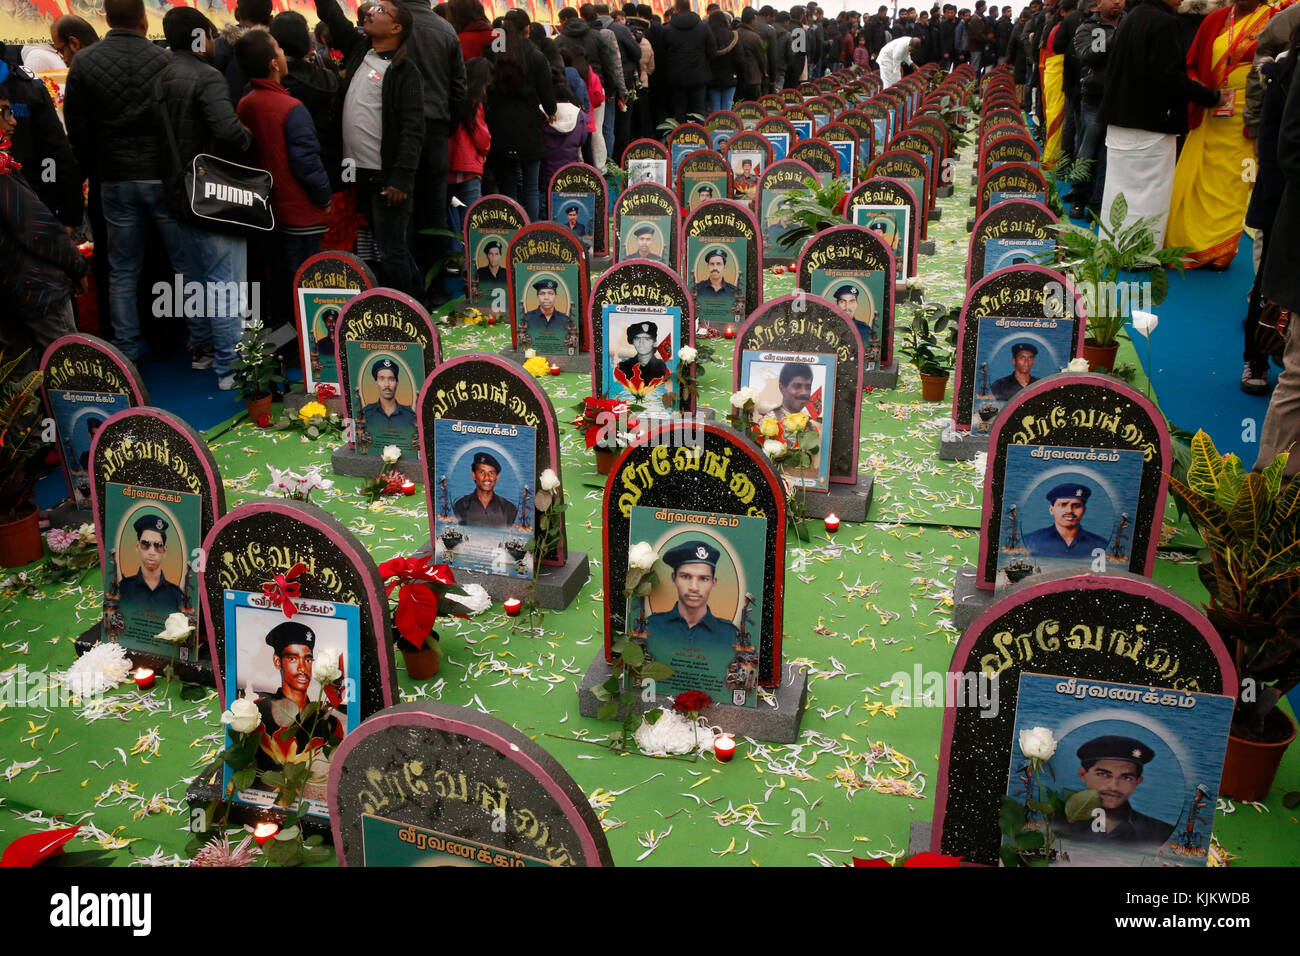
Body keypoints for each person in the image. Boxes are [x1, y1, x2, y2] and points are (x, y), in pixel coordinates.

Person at [64, 0, 190, 365]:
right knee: (180, 263)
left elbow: (78, 130)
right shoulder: (166, 60)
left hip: (115, 178)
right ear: (143, 18)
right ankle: (194, 340)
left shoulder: (85, 62)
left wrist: (92, 170)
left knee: (122, 269)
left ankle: (127, 349)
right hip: (161, 177)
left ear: (105, 17)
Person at [157, 7, 254, 390]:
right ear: (201, 36)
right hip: (213, 193)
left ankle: (205, 351)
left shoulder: (158, 76)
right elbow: (230, 134)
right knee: (226, 283)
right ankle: (231, 368)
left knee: (195, 278)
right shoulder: (208, 77)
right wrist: (248, 136)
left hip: (176, 193)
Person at [316, 0, 426, 299]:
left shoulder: (404, 70)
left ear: (396, 27)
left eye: (381, 11)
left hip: (384, 177)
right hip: (354, 174)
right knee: (366, 247)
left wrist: (401, 178)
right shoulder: (359, 49)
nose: (371, 13)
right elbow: (332, 15)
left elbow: (413, 128)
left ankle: (408, 311)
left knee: (392, 251)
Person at [1097, 0, 1223, 247]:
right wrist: (1210, 97)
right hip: (1152, 120)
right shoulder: (1164, 22)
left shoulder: (1131, 17)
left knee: (1118, 189)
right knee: (1149, 192)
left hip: (1120, 118)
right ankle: (1140, 253)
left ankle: (1113, 246)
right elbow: (1170, 76)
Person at [1164, 0, 1274, 268]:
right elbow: (1191, 63)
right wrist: (1202, 90)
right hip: (1210, 110)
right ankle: (1190, 244)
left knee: (1232, 184)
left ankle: (1220, 251)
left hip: (1247, 116)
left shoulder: (1274, 19)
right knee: (1197, 179)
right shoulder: (1214, 20)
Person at [0, 86, 83, 372]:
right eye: (4, 112)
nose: (13, 121)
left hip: (13, 293)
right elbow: (40, 231)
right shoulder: (2, 175)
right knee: (70, 373)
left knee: (20, 376)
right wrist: (77, 267)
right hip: (35, 289)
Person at [251, 620, 346, 784]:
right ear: (277, 661)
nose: (302, 668)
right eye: (293, 659)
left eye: (308, 659)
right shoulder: (257, 713)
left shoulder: (329, 723)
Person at [485, 10, 556, 222]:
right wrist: (550, 113)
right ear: (527, 28)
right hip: (529, 124)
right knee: (531, 186)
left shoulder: (493, 52)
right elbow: (548, 97)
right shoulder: (535, 55)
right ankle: (530, 231)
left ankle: (511, 231)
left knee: (508, 185)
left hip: (498, 124)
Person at [1060, 735, 1174, 846]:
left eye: (1126, 778)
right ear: (1083, 774)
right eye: (1103, 774)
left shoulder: (1161, 834)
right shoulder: (1055, 821)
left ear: (1138, 781)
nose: (1114, 786)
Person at [644, 540, 740, 653]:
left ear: (713, 583)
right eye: (685, 576)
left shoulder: (731, 635)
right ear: (674, 578)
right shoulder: (651, 626)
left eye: (704, 578)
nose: (694, 587)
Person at [118, 515, 187, 617]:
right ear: (137, 546)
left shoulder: (177, 595)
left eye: (158, 545)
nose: (151, 552)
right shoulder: (123, 589)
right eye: (145, 544)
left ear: (164, 550)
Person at [1021, 482, 1110, 557]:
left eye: (1076, 505)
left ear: (1084, 510)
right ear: (1051, 510)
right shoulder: (1029, 542)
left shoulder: (1101, 545)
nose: (1069, 510)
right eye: (1063, 504)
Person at [662, 0, 717, 122]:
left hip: (676, 78)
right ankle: (700, 138)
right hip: (699, 76)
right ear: (690, 7)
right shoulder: (703, 27)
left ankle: (679, 137)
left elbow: (662, 54)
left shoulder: (668, 29)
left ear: (676, 9)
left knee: (679, 111)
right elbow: (712, 51)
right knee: (699, 111)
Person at [453, 451, 518, 526]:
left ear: (497, 477)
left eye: (491, 473)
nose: (487, 477)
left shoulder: (509, 509)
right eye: (482, 472)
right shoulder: (461, 505)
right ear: (474, 475)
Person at [360, 357, 417, 434]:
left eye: (391, 379)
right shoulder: (366, 413)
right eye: (382, 379)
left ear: (397, 384)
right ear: (376, 383)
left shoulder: (410, 415)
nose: (387, 384)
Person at [616, 319, 670, 383]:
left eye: (647, 338)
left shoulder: (662, 367)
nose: (641, 343)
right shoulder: (623, 367)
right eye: (637, 338)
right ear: (633, 342)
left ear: (654, 342)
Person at [523, 277, 572, 342]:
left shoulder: (565, 320)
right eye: (542, 294)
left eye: (550, 293)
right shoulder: (527, 318)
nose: (546, 297)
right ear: (537, 297)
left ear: (556, 296)